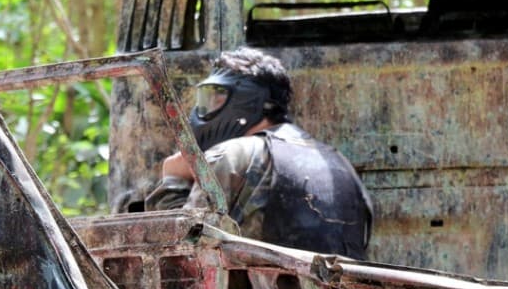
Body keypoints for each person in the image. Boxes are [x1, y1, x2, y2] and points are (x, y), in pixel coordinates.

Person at [146, 47, 372, 258]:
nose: (204, 110)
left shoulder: (232, 155)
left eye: (218, 98)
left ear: (247, 100)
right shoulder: (340, 162)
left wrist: (173, 180)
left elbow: (178, 253)